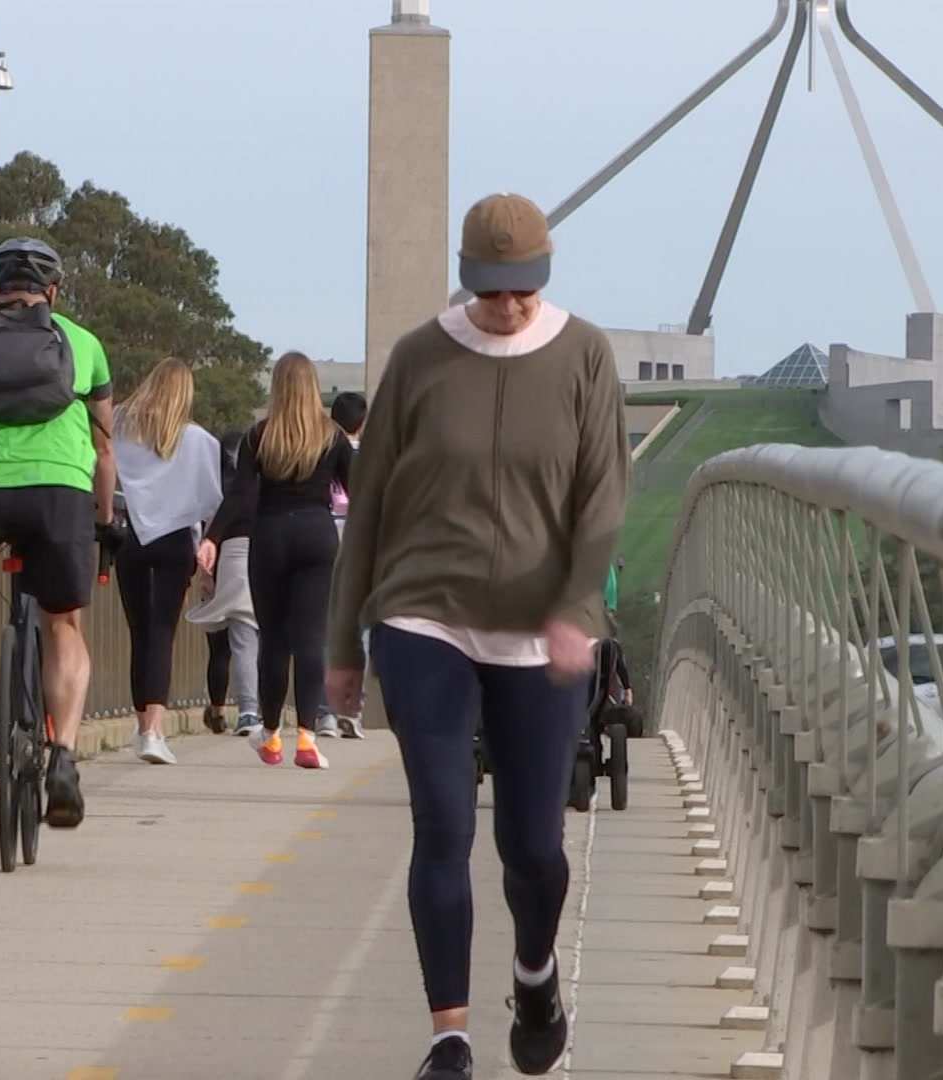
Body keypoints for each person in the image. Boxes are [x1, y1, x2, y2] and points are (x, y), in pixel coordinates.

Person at [326, 193, 628, 1079]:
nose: (507, 308)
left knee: (534, 847)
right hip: (426, 614)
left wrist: (578, 607)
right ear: (467, 280)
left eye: (522, 291)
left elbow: (604, 497)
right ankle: (448, 1038)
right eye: (491, 292)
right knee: (443, 823)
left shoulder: (584, 355)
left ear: (545, 276)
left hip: (542, 635)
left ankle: (535, 975)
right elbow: (369, 503)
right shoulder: (419, 358)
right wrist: (344, 644)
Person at [0, 238, 116, 828]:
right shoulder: (83, 345)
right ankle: (62, 757)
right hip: (60, 491)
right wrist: (105, 518)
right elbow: (105, 446)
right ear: (53, 291)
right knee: (61, 622)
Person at [201, 352, 354, 771]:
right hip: (317, 537)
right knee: (310, 639)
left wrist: (212, 537)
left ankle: (271, 736)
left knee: (274, 641)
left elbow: (241, 497)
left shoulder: (258, 437)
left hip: (268, 538)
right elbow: (359, 490)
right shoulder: (332, 437)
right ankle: (306, 737)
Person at [111, 358, 222, 765]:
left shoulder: (119, 426)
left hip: (130, 537)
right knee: (162, 632)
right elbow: (212, 499)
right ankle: (155, 730)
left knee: (139, 633)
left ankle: (143, 727)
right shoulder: (197, 440)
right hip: (175, 540)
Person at [188, 429, 263, 738]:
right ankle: (254, 708)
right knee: (252, 636)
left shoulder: (214, 489)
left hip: (220, 560)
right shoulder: (259, 486)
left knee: (220, 647)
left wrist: (205, 575)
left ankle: (220, 708)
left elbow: (199, 527)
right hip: (259, 554)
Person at [319, 391, 370, 739]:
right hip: (357, 546)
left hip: (322, 538)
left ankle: (325, 710)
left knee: (322, 626)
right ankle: (353, 709)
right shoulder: (370, 457)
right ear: (362, 422)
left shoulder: (319, 450)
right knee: (358, 627)